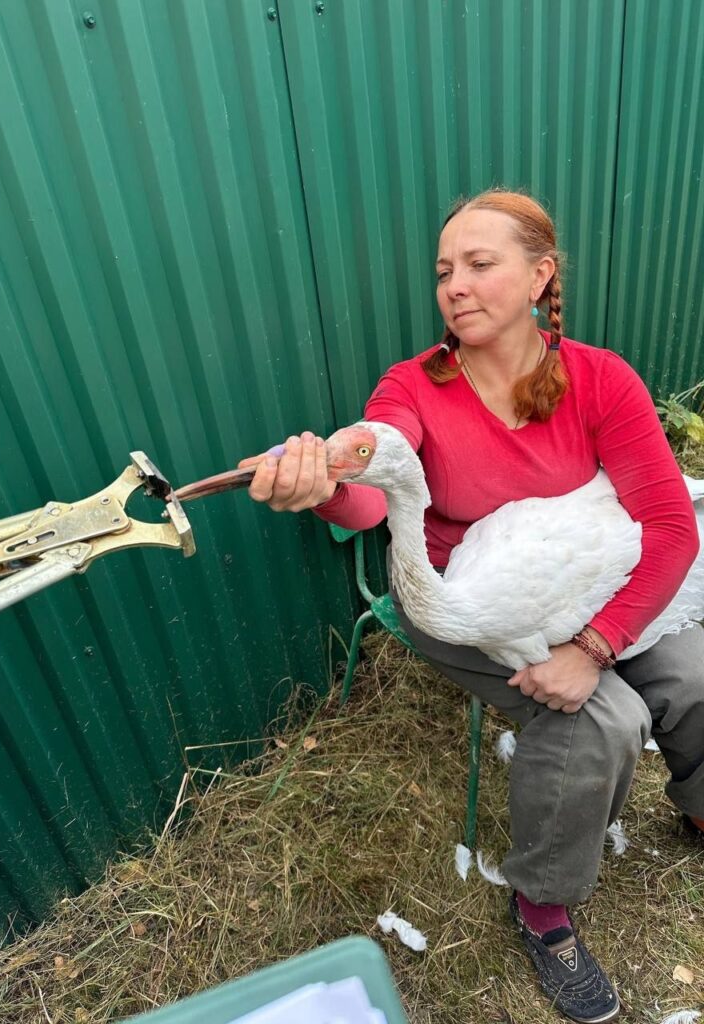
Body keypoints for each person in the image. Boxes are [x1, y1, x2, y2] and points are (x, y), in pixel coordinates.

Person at [240, 190, 703, 1024]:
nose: (455, 285)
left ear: (539, 275)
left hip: (585, 585)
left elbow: (669, 526)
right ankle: (543, 905)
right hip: (465, 601)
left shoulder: (601, 380)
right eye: (444, 270)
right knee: (597, 721)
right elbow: (382, 495)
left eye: (480, 264)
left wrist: (596, 643)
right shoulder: (414, 387)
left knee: (695, 674)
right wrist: (326, 483)